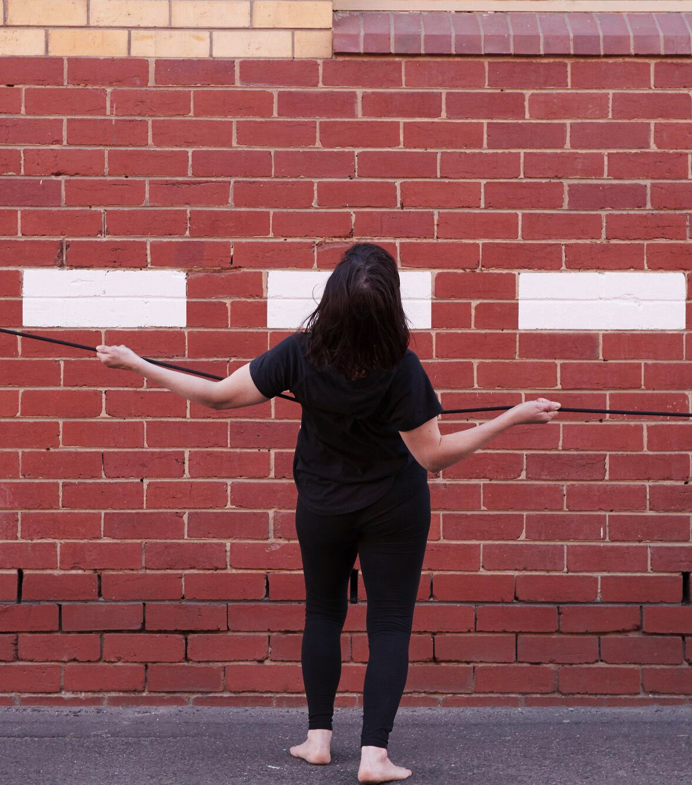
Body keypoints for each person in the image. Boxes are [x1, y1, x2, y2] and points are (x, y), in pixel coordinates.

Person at [97, 243, 559, 783]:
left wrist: (137, 364)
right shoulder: (402, 369)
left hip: (322, 505)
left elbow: (219, 396)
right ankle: (374, 756)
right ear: (390, 306)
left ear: (332, 301)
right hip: (394, 507)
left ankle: (318, 739)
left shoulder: (301, 354)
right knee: (389, 623)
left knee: (323, 613)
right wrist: (512, 417)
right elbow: (433, 457)